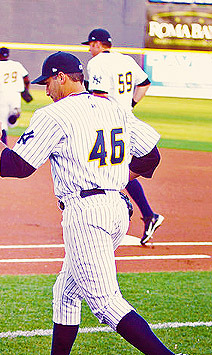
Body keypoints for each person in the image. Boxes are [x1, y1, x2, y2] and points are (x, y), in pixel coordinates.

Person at [0, 51, 197, 355]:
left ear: (62, 77)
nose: (45, 91)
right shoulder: (111, 106)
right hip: (116, 211)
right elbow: (151, 157)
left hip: (85, 213)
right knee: (65, 292)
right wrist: (113, 181)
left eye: (47, 82)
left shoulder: (54, 115)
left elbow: (18, 167)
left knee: (104, 300)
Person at [82, 28, 164, 245]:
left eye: (90, 45)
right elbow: (145, 83)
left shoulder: (97, 62)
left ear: (98, 44)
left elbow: (98, 96)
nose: (90, 49)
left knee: (110, 171)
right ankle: (148, 215)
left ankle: (110, 205)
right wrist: (131, 104)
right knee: (118, 166)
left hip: (111, 123)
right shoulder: (126, 60)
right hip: (126, 118)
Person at [0, 47, 30, 145]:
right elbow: (26, 79)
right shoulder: (17, 65)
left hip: (2, 94)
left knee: (1, 122)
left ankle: (4, 144)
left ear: (0, 54)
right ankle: (14, 115)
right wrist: (26, 89)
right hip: (16, 94)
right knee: (11, 122)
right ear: (8, 55)